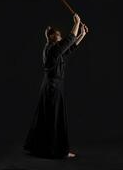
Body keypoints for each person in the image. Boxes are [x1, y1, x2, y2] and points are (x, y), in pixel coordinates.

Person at [23, 13, 88, 159]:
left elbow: (69, 48)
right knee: (54, 120)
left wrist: (82, 34)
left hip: (52, 87)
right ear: (53, 37)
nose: (60, 38)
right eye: (58, 36)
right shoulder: (52, 49)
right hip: (52, 88)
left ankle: (48, 149)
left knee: (51, 118)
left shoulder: (53, 51)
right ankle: (59, 151)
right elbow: (68, 41)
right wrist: (76, 23)